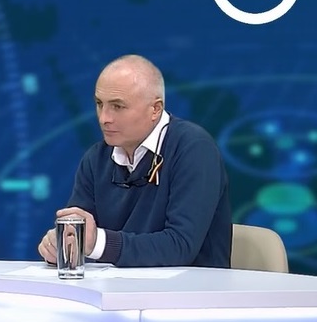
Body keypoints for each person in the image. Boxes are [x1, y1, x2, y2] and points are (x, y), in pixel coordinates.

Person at [37, 54, 231, 268]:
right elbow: (78, 231)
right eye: (99, 104)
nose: (104, 118)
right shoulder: (96, 159)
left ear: (155, 109)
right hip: (119, 286)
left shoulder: (193, 148)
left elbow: (180, 246)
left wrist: (99, 243)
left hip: (191, 287)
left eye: (117, 106)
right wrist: (62, 246)